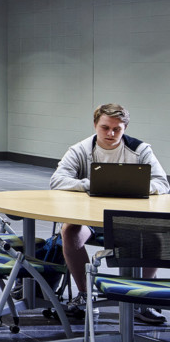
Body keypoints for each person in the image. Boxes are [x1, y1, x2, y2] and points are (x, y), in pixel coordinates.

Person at [50, 102, 168, 321]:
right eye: (105, 128)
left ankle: (142, 299)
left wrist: (138, 186)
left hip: (131, 220)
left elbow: (162, 183)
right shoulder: (80, 149)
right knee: (69, 232)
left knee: (157, 235)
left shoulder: (140, 149)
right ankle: (85, 295)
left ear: (125, 129)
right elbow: (57, 180)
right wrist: (91, 184)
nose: (111, 133)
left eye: (117, 129)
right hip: (89, 219)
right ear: (95, 124)